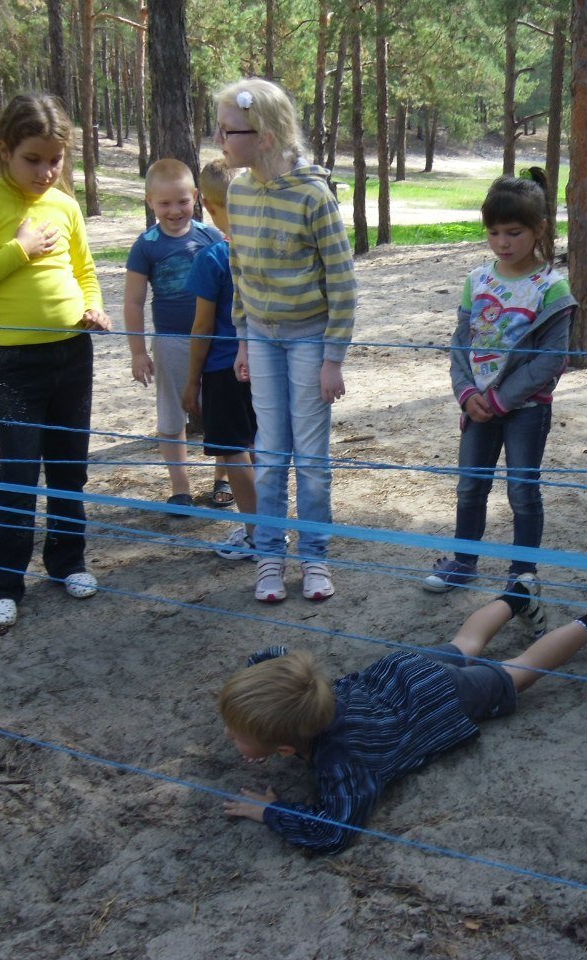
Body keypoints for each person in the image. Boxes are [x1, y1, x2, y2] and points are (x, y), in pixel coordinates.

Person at [220, 581, 587, 854]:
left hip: (438, 698)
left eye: (236, 732)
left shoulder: (343, 760)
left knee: (516, 671)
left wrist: (272, 812)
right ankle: (517, 596)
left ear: (288, 747)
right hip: (399, 672)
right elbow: (272, 658)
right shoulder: (304, 688)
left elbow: (333, 830)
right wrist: (255, 704)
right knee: (464, 644)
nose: (227, 733)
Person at [0, 93, 109, 627]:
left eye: (55, 160)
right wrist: (18, 249)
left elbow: (85, 271)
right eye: (32, 160)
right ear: (4, 150)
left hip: (72, 353)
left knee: (68, 467)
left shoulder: (65, 204)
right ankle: (2, 582)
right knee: (18, 470)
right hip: (16, 362)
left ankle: (67, 562)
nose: (46, 171)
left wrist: (94, 308)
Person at [217, 78, 358, 604]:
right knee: (271, 454)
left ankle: (315, 557)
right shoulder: (238, 191)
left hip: (308, 340)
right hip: (262, 337)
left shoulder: (313, 196)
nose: (219, 138)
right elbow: (239, 272)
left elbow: (342, 281)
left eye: (228, 130)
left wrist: (332, 358)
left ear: (265, 135)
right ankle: (270, 554)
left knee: (312, 457)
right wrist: (243, 340)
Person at [420, 168, 575, 619]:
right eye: (493, 232)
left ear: (539, 230)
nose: (502, 242)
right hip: (477, 406)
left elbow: (551, 359)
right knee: (470, 488)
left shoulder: (552, 288)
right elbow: (460, 342)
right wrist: (467, 392)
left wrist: (502, 399)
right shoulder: (477, 280)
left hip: (525, 409)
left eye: (514, 232)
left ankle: (523, 573)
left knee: (523, 490)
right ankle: (464, 562)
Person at [124, 158, 224, 510]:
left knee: (222, 411)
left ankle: (222, 481)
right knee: (171, 415)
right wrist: (138, 351)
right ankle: (179, 486)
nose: (174, 210)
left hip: (214, 340)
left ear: (195, 197)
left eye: (182, 201)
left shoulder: (210, 236)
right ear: (150, 201)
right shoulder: (146, 245)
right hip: (170, 341)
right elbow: (134, 302)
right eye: (164, 203)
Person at [182, 159, 260, 560]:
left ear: (209, 207)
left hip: (222, 370)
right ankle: (272, 526)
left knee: (234, 451)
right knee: (262, 447)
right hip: (264, 365)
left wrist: (191, 380)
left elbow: (201, 328)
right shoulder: (266, 253)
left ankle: (257, 534)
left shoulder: (212, 258)